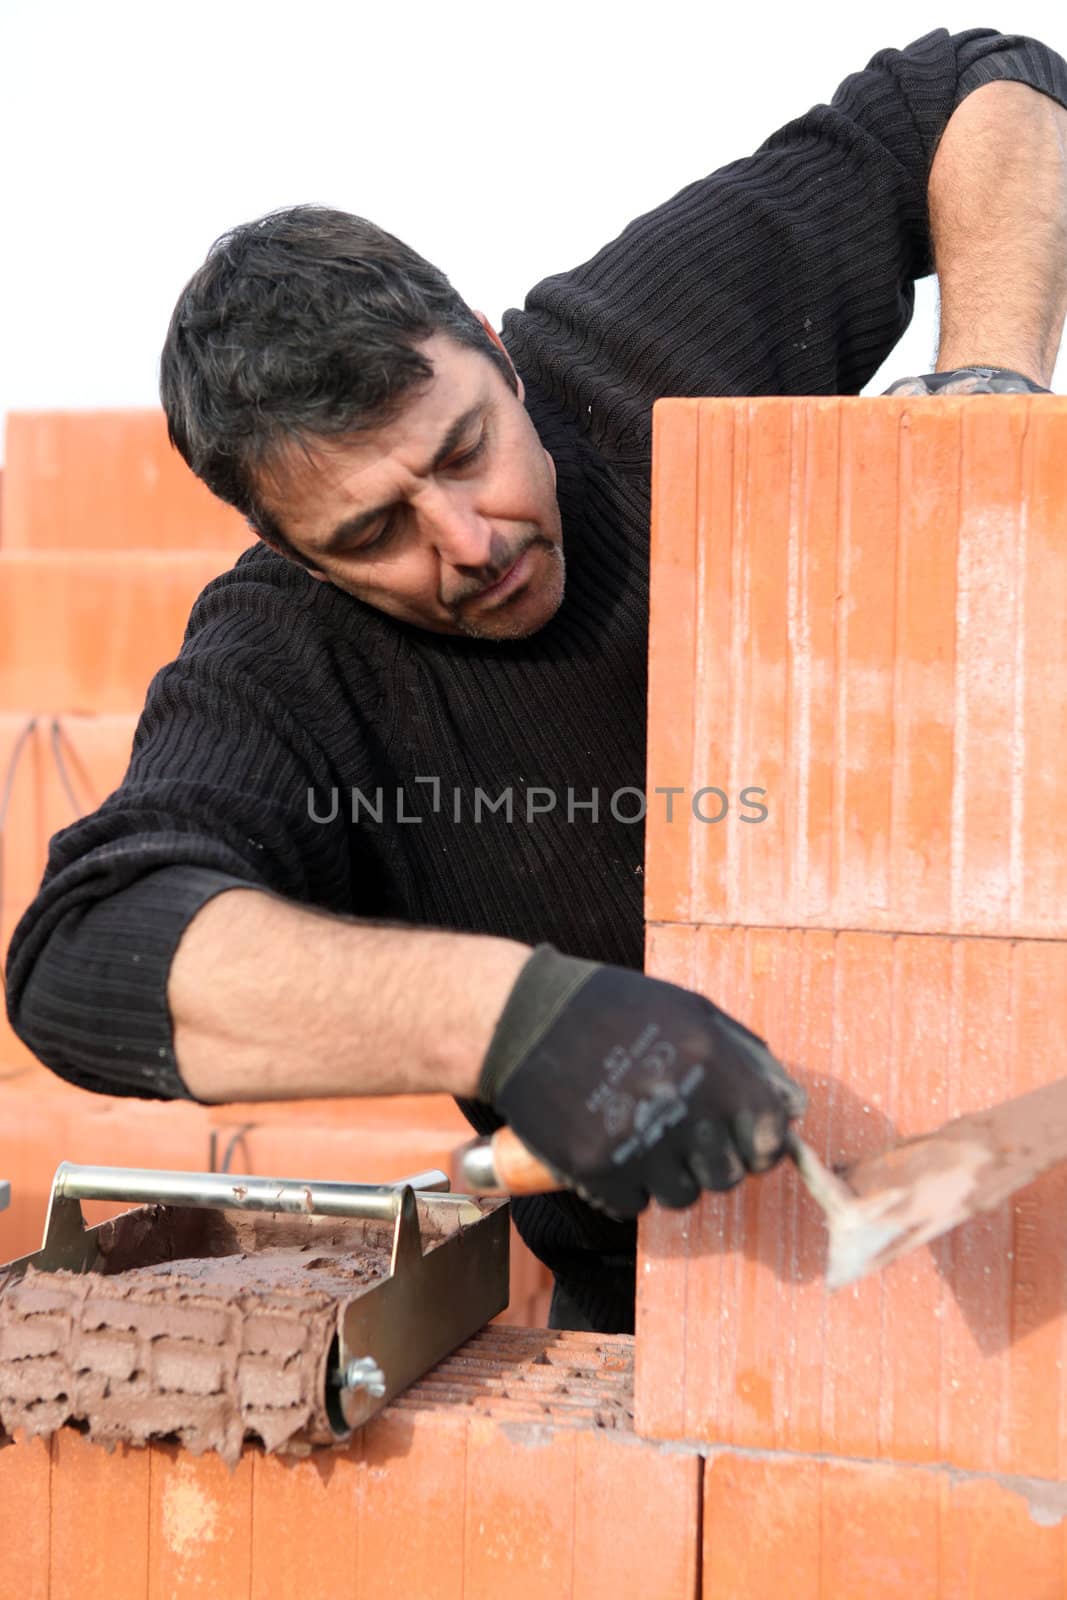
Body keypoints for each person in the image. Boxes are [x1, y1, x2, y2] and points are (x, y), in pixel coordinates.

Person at [6, 28, 1067, 1334]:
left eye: (467, 449)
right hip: (672, 1313)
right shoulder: (285, 663)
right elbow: (83, 953)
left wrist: (992, 390)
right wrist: (515, 1021)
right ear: (288, 550)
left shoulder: (633, 352)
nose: (471, 541)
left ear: (501, 356)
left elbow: (971, 86)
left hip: (1019, 1194)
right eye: (371, 534)